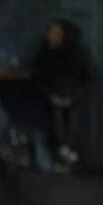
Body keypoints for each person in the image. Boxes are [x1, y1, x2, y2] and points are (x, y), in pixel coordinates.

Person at [32, 19, 91, 169]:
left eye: (57, 34)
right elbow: (38, 79)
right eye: (50, 33)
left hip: (74, 95)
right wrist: (51, 96)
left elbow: (87, 79)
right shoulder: (44, 54)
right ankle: (64, 152)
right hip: (53, 95)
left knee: (72, 121)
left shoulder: (78, 53)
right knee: (57, 120)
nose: (52, 37)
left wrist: (73, 98)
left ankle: (66, 151)